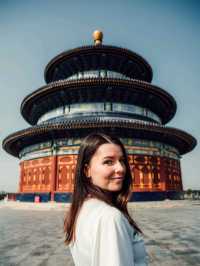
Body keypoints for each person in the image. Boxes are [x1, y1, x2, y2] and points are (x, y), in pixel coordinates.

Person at [64, 132, 148, 266]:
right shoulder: (110, 217)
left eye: (122, 161)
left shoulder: (80, 209)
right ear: (87, 170)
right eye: (108, 162)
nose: (120, 168)